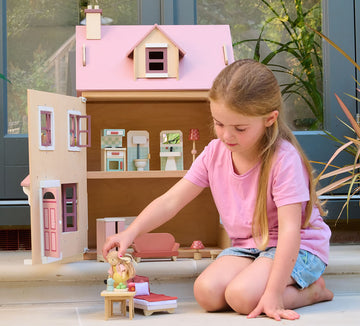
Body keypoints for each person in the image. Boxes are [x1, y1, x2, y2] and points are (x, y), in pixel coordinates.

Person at [102, 59, 334, 321]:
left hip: (297, 249)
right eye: (219, 123)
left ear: (269, 119)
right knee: (207, 293)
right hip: (249, 247)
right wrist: (131, 232)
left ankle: (314, 291)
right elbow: (171, 201)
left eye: (240, 128)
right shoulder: (215, 153)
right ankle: (262, 282)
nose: (226, 136)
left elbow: (291, 231)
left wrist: (274, 292)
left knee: (243, 298)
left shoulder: (284, 159)